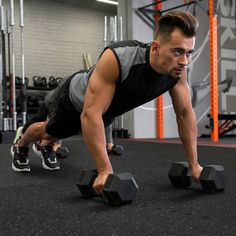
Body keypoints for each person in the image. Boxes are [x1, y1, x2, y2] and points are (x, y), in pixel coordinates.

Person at [11, 10, 203, 195]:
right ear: (155, 47)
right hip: (74, 98)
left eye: (189, 53)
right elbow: (90, 114)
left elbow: (184, 114)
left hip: (106, 109)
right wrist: (104, 170)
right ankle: (21, 145)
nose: (184, 61)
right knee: (49, 131)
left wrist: (194, 165)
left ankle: (45, 145)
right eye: (178, 51)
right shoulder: (119, 57)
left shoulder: (177, 72)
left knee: (56, 135)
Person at [12, 88, 119, 171]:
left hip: (70, 105)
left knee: (57, 128)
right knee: (40, 124)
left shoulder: (105, 97)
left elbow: (104, 119)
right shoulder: (87, 88)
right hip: (53, 100)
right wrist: (57, 143)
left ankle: (43, 145)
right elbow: (60, 120)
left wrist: (109, 143)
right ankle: (20, 143)